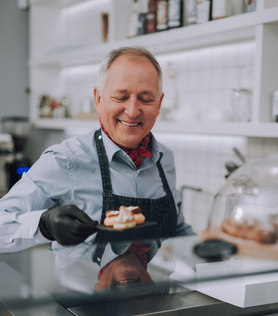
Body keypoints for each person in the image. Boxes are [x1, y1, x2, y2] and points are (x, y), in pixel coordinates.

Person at [0, 46, 193, 255]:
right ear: (98, 100)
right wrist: (44, 224)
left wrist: (211, 246)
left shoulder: (165, 159)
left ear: (159, 104)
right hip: (85, 287)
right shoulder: (66, 159)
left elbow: (177, 232)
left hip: (158, 287)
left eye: (146, 99)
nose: (132, 110)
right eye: (121, 97)